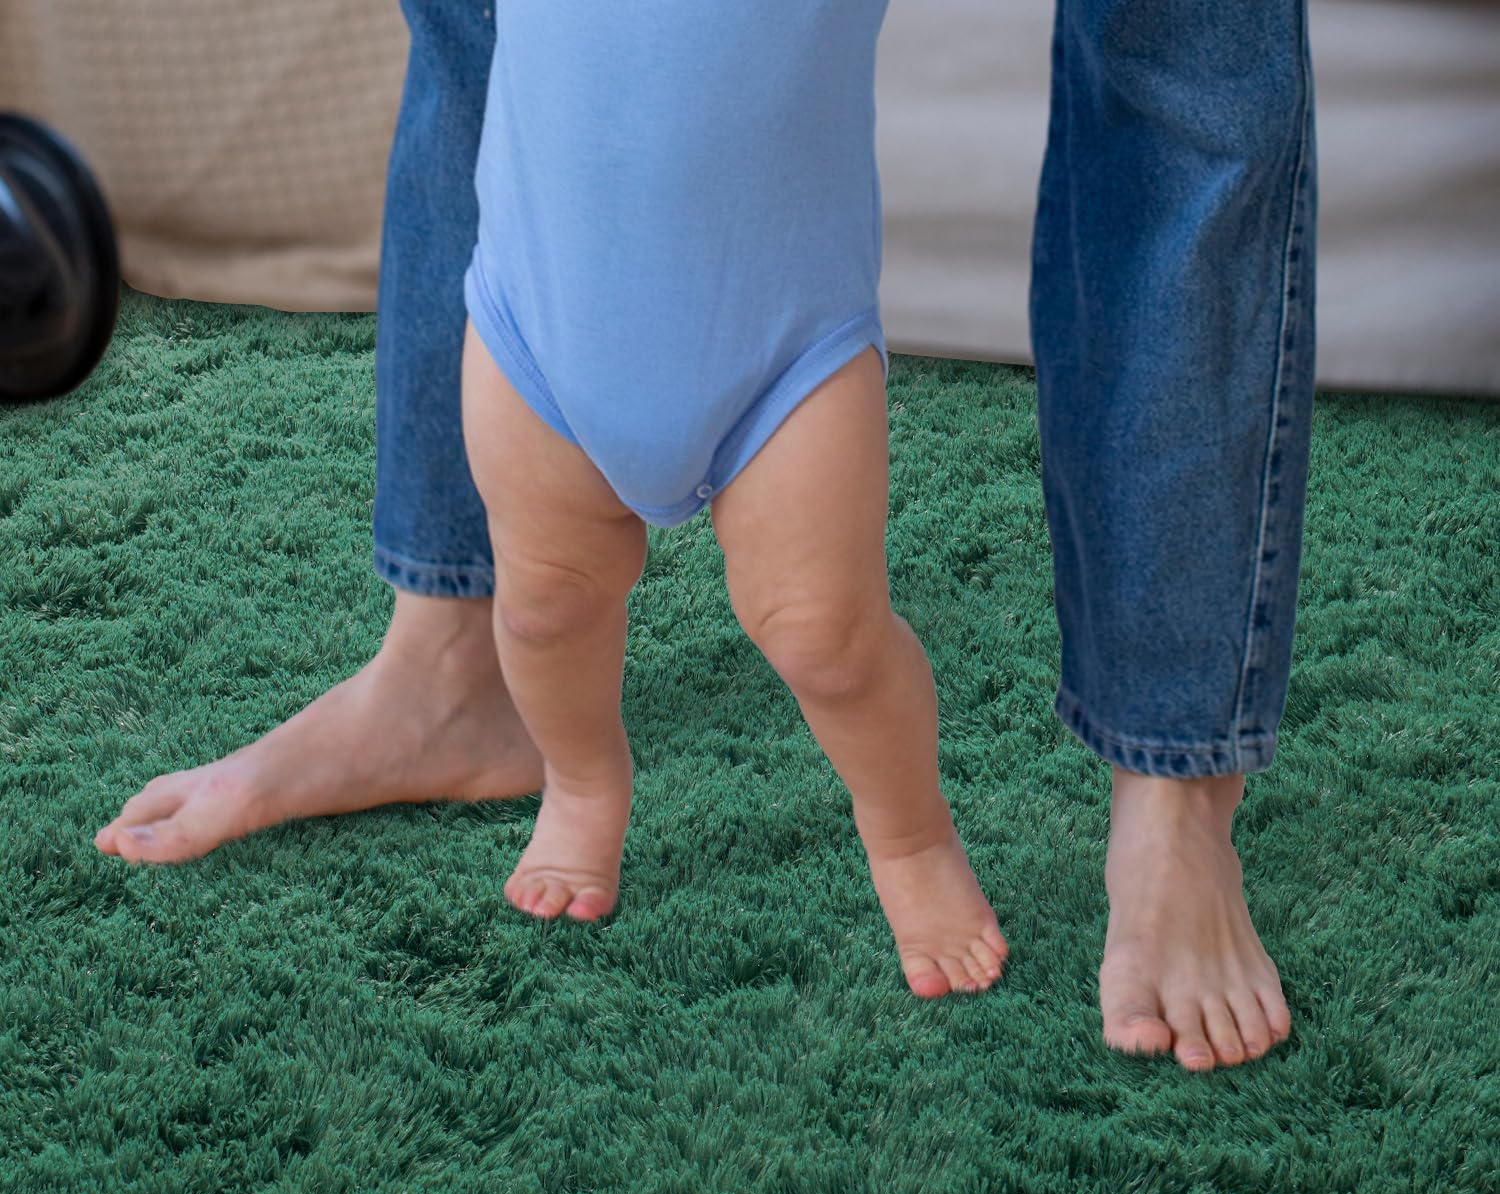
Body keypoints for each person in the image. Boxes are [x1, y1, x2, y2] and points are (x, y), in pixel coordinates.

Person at [96, 0, 1315, 1070]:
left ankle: (912, 837)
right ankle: (565, 768)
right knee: (545, 601)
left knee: (826, 636)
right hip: (533, 327)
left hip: (785, 350)